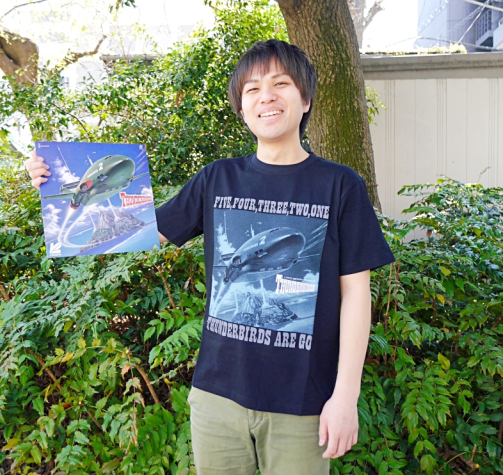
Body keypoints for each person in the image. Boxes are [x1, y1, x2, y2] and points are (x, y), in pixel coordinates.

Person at [26, 39, 395, 475]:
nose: (266, 96)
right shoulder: (217, 178)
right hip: (217, 397)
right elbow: (139, 229)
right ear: (241, 107)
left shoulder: (341, 186)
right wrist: (56, 188)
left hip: (304, 401)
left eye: (281, 84)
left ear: (306, 98)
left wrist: (345, 395)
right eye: (252, 89)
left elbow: (356, 294)